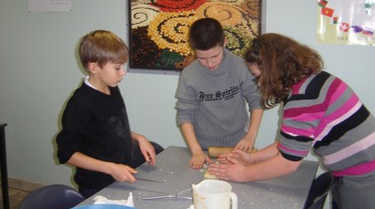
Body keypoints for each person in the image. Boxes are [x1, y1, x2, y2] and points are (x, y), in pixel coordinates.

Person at [209, 33, 375, 209]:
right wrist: (254, 159)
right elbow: (292, 142)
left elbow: (288, 163)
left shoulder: (303, 99)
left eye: (258, 77)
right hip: (369, 171)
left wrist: (243, 174)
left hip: (372, 180)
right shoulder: (313, 81)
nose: (258, 83)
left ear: (274, 70)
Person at [56, 30, 164, 198]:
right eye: (117, 68)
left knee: (157, 148)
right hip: (98, 186)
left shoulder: (111, 87)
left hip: (119, 175)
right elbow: (66, 154)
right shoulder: (80, 104)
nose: (123, 72)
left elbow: (107, 128)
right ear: (94, 67)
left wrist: (138, 137)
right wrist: (111, 168)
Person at [175, 18, 264, 169]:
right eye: (202, 58)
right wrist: (196, 151)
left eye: (215, 56)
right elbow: (184, 114)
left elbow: (257, 101)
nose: (210, 64)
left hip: (239, 145)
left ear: (224, 42)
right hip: (203, 148)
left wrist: (251, 135)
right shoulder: (189, 74)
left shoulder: (240, 66)